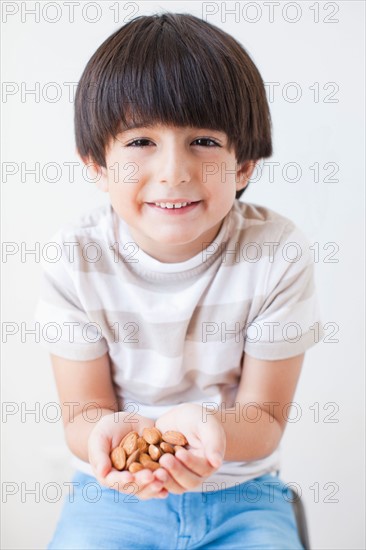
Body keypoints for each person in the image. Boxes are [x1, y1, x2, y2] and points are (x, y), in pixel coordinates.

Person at [35, 12, 324, 549]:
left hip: (244, 491)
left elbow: (263, 418)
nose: (174, 171)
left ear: (245, 165)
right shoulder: (74, 256)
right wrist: (105, 437)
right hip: (112, 499)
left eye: (205, 141)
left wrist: (206, 431)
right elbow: (83, 413)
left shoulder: (277, 252)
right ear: (96, 164)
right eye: (141, 140)